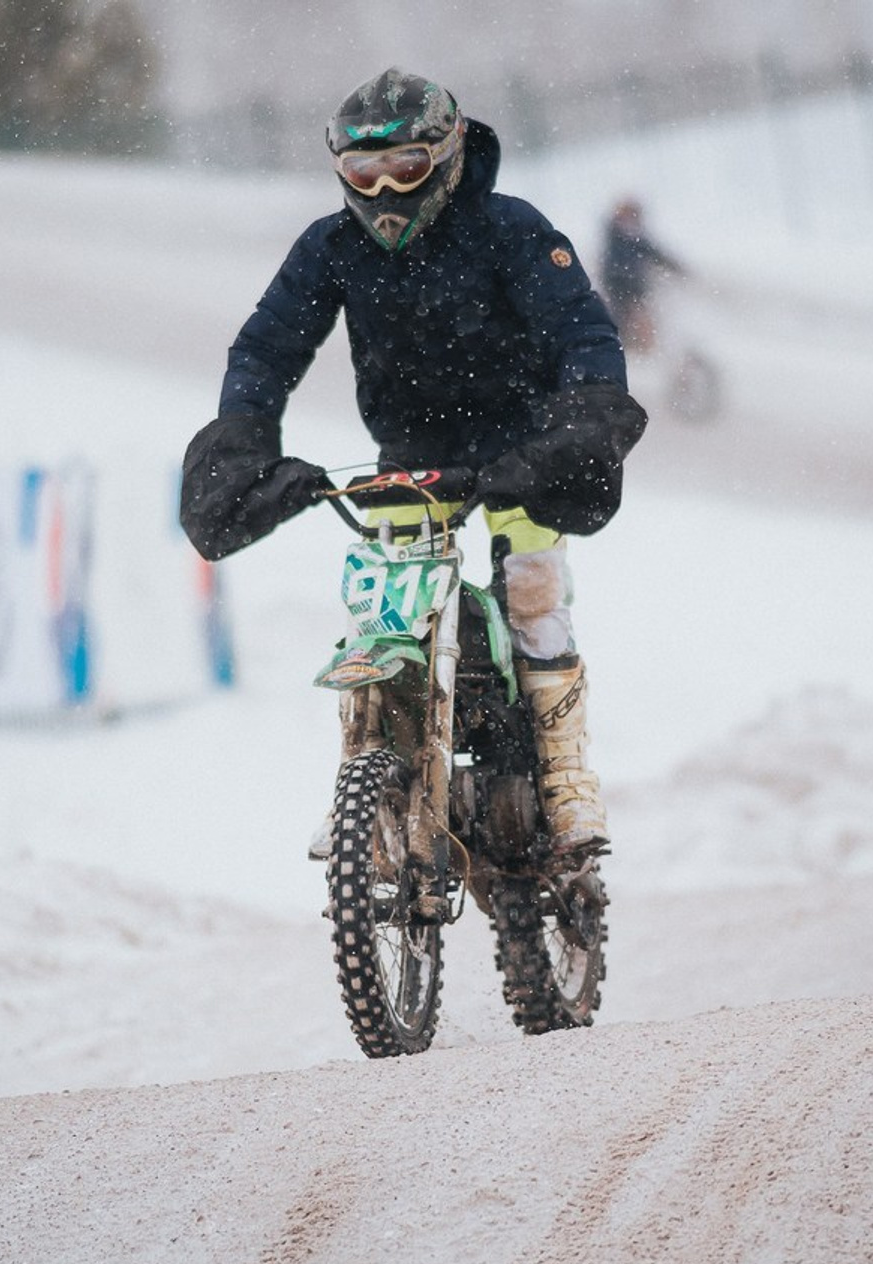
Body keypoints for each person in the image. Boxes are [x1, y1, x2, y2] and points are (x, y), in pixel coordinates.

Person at [179, 67, 647, 866]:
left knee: (534, 592)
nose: (386, 190)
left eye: (407, 168)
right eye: (365, 173)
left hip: (522, 452)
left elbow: (583, 333)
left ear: (449, 153)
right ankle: (366, 777)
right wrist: (246, 434)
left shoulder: (512, 229)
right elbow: (267, 346)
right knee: (381, 608)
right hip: (410, 457)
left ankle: (567, 776)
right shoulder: (329, 247)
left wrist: (584, 413)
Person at [599, 197, 686, 354]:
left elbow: (656, 253)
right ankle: (635, 349)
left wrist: (677, 268)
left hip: (630, 287)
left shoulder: (627, 236)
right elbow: (652, 252)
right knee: (628, 319)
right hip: (622, 287)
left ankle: (641, 349)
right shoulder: (620, 236)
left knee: (636, 320)